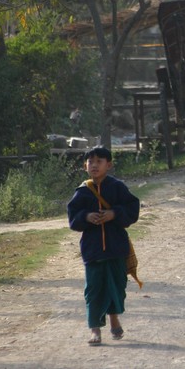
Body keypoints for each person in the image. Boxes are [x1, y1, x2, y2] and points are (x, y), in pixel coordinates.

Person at [67, 146, 140, 346]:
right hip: (93, 250)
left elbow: (133, 209)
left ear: (109, 165)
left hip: (117, 248)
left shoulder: (117, 187)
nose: (94, 165)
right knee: (93, 289)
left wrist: (114, 214)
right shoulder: (82, 192)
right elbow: (73, 219)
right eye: (90, 161)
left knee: (116, 286)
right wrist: (86, 216)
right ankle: (95, 330)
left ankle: (114, 318)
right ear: (85, 166)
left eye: (99, 161)